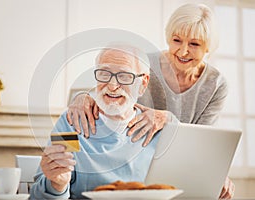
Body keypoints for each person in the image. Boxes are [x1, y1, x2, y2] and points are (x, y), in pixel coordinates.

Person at [65, 3, 234, 199]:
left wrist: (217, 175)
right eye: (176, 40)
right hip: (133, 166)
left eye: (194, 44)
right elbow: (106, 88)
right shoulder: (145, 64)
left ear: (208, 48)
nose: (183, 51)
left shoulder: (216, 84)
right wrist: (81, 97)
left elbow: (203, 143)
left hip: (179, 167)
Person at [30, 47, 177, 199]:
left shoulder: (158, 129)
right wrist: (57, 185)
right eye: (104, 74)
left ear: (143, 84)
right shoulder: (73, 123)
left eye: (125, 76)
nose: (112, 86)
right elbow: (39, 196)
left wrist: (171, 120)